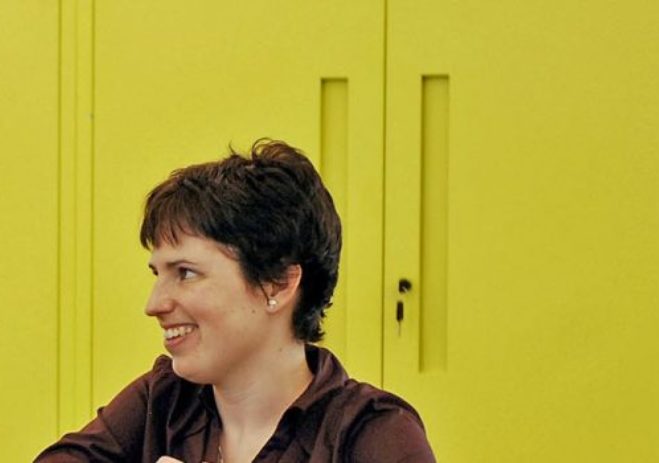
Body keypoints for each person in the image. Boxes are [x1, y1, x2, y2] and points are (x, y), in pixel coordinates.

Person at [36, 140, 434, 462]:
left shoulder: (372, 433)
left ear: (276, 284)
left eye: (186, 273)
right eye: (158, 274)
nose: (154, 304)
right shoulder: (165, 400)